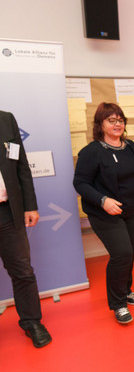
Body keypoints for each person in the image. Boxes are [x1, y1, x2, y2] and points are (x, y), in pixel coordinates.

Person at [74, 103, 134, 325]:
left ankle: (125, 290)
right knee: (121, 253)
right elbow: (80, 183)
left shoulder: (131, 147)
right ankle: (118, 304)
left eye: (120, 120)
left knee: (129, 253)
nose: (117, 124)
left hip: (131, 210)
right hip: (104, 213)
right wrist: (103, 201)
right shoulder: (91, 152)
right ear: (100, 124)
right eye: (111, 120)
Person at [0, 110, 52, 348]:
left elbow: (21, 165)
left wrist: (29, 205)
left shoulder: (5, 119)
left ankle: (32, 322)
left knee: (23, 271)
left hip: (8, 211)